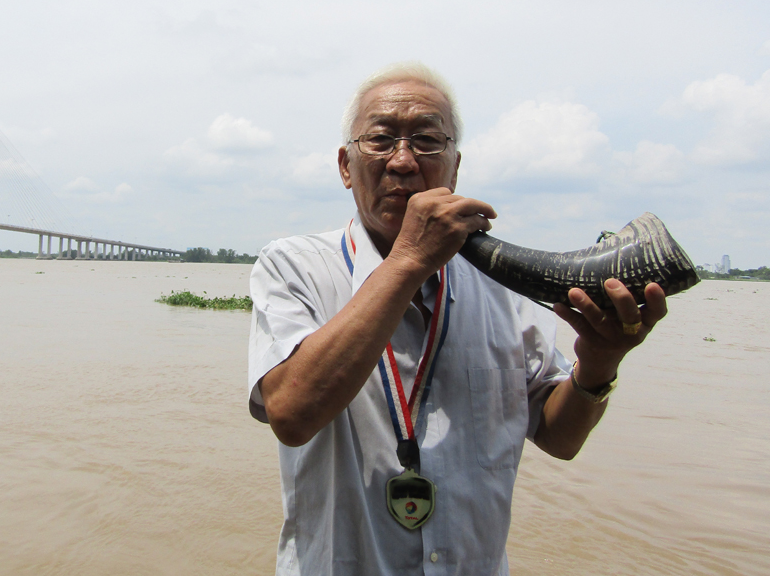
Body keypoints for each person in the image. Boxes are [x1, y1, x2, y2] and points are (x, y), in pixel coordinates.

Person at [247, 62, 667, 576]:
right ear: (344, 165)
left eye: (426, 141)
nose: (402, 162)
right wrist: (408, 260)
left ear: (455, 167)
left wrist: (598, 364)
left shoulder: (499, 285)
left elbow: (560, 438)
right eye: (380, 141)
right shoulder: (294, 266)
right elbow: (291, 414)